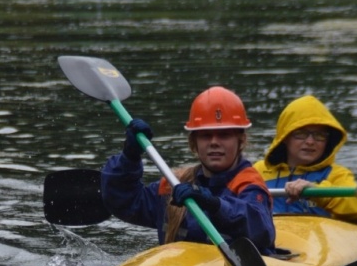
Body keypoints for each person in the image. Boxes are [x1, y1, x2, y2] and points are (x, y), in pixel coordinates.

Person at [100, 86, 276, 255]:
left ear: (241, 141)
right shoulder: (175, 184)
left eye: (224, 135)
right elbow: (124, 203)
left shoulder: (248, 184)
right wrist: (129, 157)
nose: (214, 142)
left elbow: (260, 229)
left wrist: (214, 205)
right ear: (194, 143)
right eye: (206, 135)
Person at [254, 94, 357, 223]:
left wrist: (317, 191)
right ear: (285, 138)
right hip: (268, 237)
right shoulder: (258, 171)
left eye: (319, 135)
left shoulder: (336, 174)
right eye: (301, 134)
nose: (310, 142)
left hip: (316, 239)